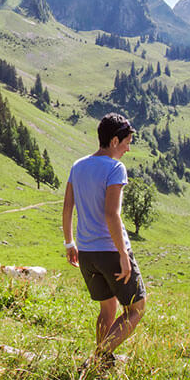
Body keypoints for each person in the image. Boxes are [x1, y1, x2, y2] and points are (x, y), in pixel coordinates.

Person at [61, 112, 147, 364]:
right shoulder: (115, 168)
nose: (128, 149)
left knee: (107, 309)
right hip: (110, 251)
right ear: (113, 141)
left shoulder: (78, 166)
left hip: (86, 253)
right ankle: (99, 358)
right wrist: (123, 255)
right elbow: (112, 214)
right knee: (136, 309)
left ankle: (103, 360)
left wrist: (69, 243)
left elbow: (67, 208)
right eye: (126, 142)